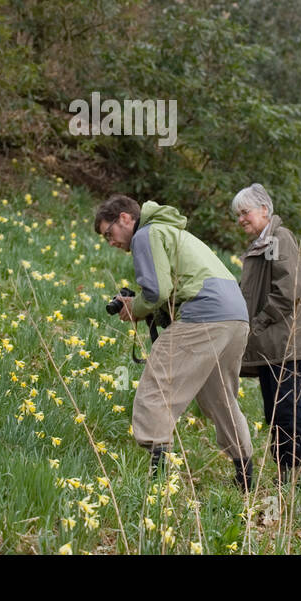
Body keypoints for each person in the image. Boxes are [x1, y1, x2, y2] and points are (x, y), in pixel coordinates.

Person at [96, 194, 255, 491]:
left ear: (126, 219)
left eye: (109, 233)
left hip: (205, 313)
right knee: (219, 396)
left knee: (158, 384)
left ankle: (157, 480)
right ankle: (245, 475)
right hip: (236, 317)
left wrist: (135, 308)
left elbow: (156, 291)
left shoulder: (146, 234)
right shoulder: (174, 231)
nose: (111, 242)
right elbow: (171, 289)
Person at [233, 183, 301, 481]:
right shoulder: (263, 241)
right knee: (276, 411)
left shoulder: (278, 238)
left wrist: (256, 324)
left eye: (244, 212)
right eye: (237, 214)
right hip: (271, 344)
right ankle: (287, 471)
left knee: (287, 410)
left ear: (264, 209)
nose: (241, 219)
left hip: (285, 343)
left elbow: (290, 289)